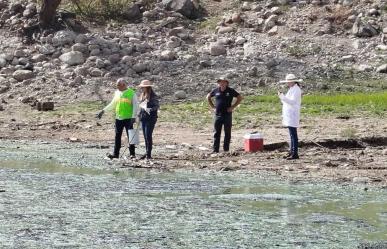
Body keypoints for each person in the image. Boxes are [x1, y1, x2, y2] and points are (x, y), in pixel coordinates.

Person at [96, 78, 138, 159]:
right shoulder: (117, 93)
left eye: (118, 85)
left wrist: (133, 117)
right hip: (118, 118)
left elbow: (136, 106)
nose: (117, 86)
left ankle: (132, 154)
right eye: (117, 85)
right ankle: (116, 154)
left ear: (124, 85)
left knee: (131, 135)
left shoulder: (131, 93)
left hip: (129, 118)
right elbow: (113, 104)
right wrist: (103, 111)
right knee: (117, 136)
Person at [207, 77, 243, 153]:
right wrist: (213, 107)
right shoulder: (216, 90)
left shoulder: (230, 90)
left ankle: (226, 150)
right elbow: (208, 97)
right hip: (218, 115)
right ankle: (215, 150)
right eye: (220, 82)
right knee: (217, 133)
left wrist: (233, 107)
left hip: (227, 115)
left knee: (227, 133)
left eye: (223, 82)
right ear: (219, 83)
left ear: (227, 83)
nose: (222, 84)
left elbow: (239, 98)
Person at [278, 73, 303, 160]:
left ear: (293, 82)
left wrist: (282, 97)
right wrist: (282, 98)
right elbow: (286, 102)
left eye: (288, 82)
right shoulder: (292, 89)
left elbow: (292, 102)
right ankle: (292, 151)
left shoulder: (296, 90)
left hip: (293, 114)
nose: (287, 83)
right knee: (291, 134)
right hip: (289, 114)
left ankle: (295, 153)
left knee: (293, 134)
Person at [138, 80, 159, 160]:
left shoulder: (153, 96)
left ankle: (148, 154)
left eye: (143, 87)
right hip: (143, 118)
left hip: (151, 119)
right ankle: (147, 153)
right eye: (141, 87)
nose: (142, 89)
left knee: (148, 136)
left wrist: (149, 109)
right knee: (145, 136)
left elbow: (157, 106)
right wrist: (139, 114)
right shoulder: (142, 95)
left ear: (147, 87)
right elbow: (141, 106)